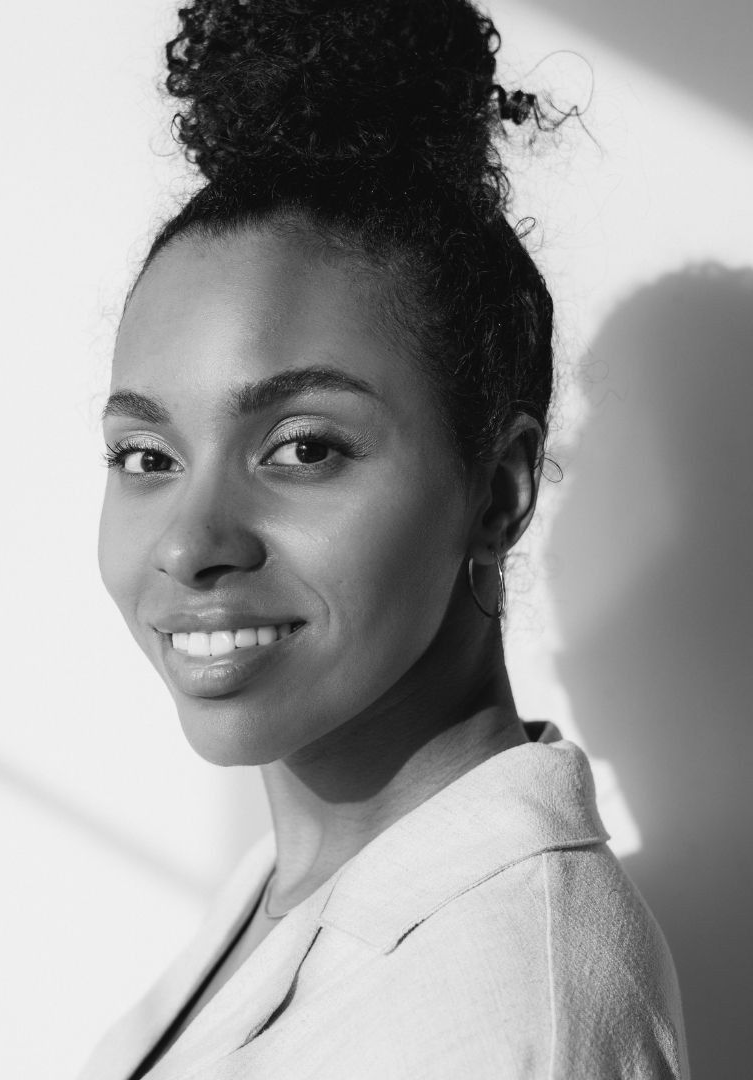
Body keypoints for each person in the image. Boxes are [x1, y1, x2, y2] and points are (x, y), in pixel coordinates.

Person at [80, 1, 688, 1076]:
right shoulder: (292, 889)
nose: (188, 543)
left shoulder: (508, 1018)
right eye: (147, 456)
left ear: (496, 492)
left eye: (303, 448)